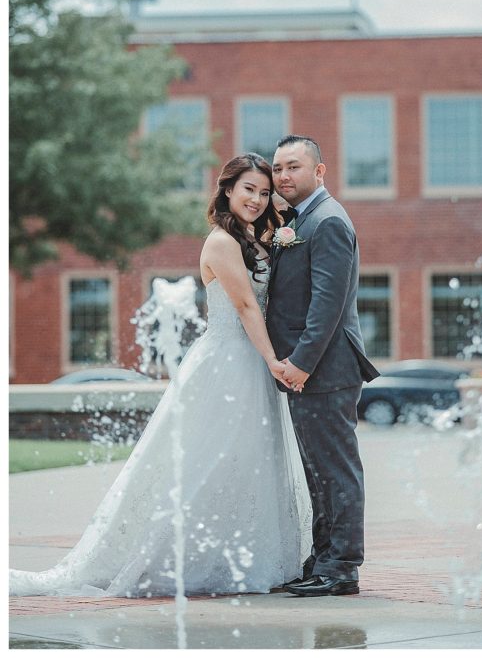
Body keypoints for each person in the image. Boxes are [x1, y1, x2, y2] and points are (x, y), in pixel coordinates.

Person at [10, 154, 312, 596]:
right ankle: (174, 558)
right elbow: (247, 306)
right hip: (228, 363)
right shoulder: (221, 243)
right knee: (207, 463)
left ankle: (246, 557)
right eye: (249, 188)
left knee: (247, 462)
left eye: (265, 193)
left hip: (250, 363)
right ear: (227, 189)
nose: (257, 199)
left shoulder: (254, 238)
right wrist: (273, 362)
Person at [266, 135, 380, 597]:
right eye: (277, 169)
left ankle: (342, 568)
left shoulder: (328, 221)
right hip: (309, 372)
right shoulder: (301, 220)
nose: (283, 176)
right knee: (318, 470)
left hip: (325, 370)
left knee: (335, 470)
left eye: (293, 167)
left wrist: (301, 364)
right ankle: (322, 559)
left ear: (319, 171)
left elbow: (328, 305)